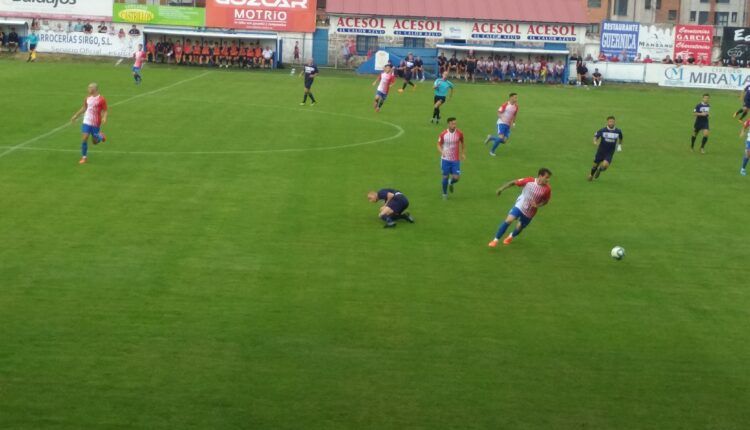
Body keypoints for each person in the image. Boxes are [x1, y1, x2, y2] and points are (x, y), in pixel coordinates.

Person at [488, 168, 552, 247]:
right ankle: (495, 240)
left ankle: (511, 236)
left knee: (519, 227)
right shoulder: (529, 180)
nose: (548, 180)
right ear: (540, 176)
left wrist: (537, 205)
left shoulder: (547, 189)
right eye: (546, 177)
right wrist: (501, 189)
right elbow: (513, 182)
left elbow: (546, 201)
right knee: (509, 220)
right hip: (520, 205)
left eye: (548, 178)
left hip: (530, 212)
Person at [70, 83, 108, 165]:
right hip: (86, 121)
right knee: (85, 138)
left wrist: (104, 117)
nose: (88, 89)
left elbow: (105, 110)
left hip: (96, 122)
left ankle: (100, 136)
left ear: (94, 89)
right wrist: (75, 116)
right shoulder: (87, 98)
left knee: (95, 141)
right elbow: (84, 108)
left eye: (89, 88)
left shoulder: (101, 99)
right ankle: (84, 157)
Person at [438, 118, 465, 199]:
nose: (454, 125)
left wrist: (463, 153)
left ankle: (451, 182)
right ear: (449, 124)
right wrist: (441, 151)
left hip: (455, 160)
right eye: (453, 124)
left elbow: (463, 143)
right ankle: (444, 194)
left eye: (455, 124)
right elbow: (438, 144)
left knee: (456, 178)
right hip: (445, 159)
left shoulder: (459, 133)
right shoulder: (443, 134)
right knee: (445, 176)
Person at [589, 116, 623, 181]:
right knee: (595, 165)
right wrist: (595, 141)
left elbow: (621, 138)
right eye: (610, 121)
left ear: (615, 122)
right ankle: (591, 175)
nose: (611, 123)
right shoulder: (602, 130)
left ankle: (599, 170)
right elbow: (596, 136)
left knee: (605, 166)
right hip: (601, 151)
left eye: (613, 121)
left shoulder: (618, 131)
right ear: (607, 122)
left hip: (609, 152)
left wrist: (619, 145)